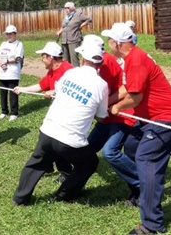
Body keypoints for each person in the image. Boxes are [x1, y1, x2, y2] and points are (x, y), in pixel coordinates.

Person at [103, 22, 171, 235]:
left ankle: (151, 225)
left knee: (146, 158)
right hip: (148, 118)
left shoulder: (137, 60)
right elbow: (126, 88)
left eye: (109, 40)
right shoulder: (130, 58)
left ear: (117, 43)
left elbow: (135, 97)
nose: (108, 44)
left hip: (168, 119)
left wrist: (114, 108)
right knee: (131, 147)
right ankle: (141, 191)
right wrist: (107, 101)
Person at [12, 42, 109, 205]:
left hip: (47, 130)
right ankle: (64, 194)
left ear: (83, 60)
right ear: (100, 63)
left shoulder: (70, 74)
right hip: (69, 140)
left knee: (37, 162)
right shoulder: (102, 85)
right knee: (90, 163)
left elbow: (58, 92)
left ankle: (20, 198)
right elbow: (101, 117)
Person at [83, 35, 137, 196]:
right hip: (106, 116)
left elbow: (102, 94)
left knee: (110, 152)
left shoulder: (105, 64)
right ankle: (74, 182)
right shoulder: (98, 63)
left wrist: (98, 107)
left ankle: (143, 185)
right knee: (87, 149)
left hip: (120, 116)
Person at [0, 25, 24, 121]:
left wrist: (6, 61)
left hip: (13, 73)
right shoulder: (3, 44)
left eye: (11, 33)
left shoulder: (19, 44)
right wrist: (0, 61)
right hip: (3, 72)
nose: (9, 35)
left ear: (15, 34)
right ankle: (4, 111)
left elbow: (18, 58)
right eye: (7, 34)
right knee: (3, 92)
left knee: (13, 92)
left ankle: (14, 112)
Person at [56, 2, 92, 67]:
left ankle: (76, 74)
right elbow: (64, 26)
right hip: (65, 40)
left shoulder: (78, 15)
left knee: (74, 59)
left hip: (74, 39)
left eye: (68, 8)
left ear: (72, 8)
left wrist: (81, 26)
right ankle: (67, 73)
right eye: (65, 8)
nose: (66, 9)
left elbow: (89, 19)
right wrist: (60, 31)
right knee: (65, 59)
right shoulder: (66, 17)